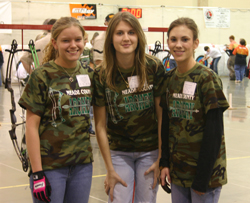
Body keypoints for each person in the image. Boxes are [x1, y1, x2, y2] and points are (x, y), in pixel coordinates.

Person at [18, 17, 94, 203]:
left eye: (78, 39)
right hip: (50, 166)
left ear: (85, 41)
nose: (73, 45)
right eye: (66, 40)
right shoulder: (42, 76)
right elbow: (31, 127)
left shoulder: (89, 74)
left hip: (82, 165)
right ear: (55, 43)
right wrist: (37, 173)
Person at [93, 12, 165, 203]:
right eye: (119, 33)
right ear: (111, 39)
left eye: (131, 32)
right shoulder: (101, 75)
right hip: (118, 153)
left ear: (139, 37)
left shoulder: (153, 67)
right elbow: (100, 125)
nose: (126, 38)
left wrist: (161, 158)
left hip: (150, 152)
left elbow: (161, 116)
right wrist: (109, 168)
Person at [159, 17, 229, 203]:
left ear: (195, 43)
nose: (178, 45)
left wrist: (202, 179)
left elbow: (215, 132)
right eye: (173, 39)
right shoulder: (169, 79)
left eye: (185, 39)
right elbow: (167, 125)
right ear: (168, 43)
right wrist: (164, 162)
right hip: (178, 172)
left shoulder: (207, 79)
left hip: (204, 176)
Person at [79, 32, 95, 135]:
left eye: (86, 39)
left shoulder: (87, 51)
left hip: (85, 79)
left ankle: (88, 126)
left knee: (87, 105)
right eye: (84, 39)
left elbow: (92, 63)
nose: (86, 41)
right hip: (75, 80)